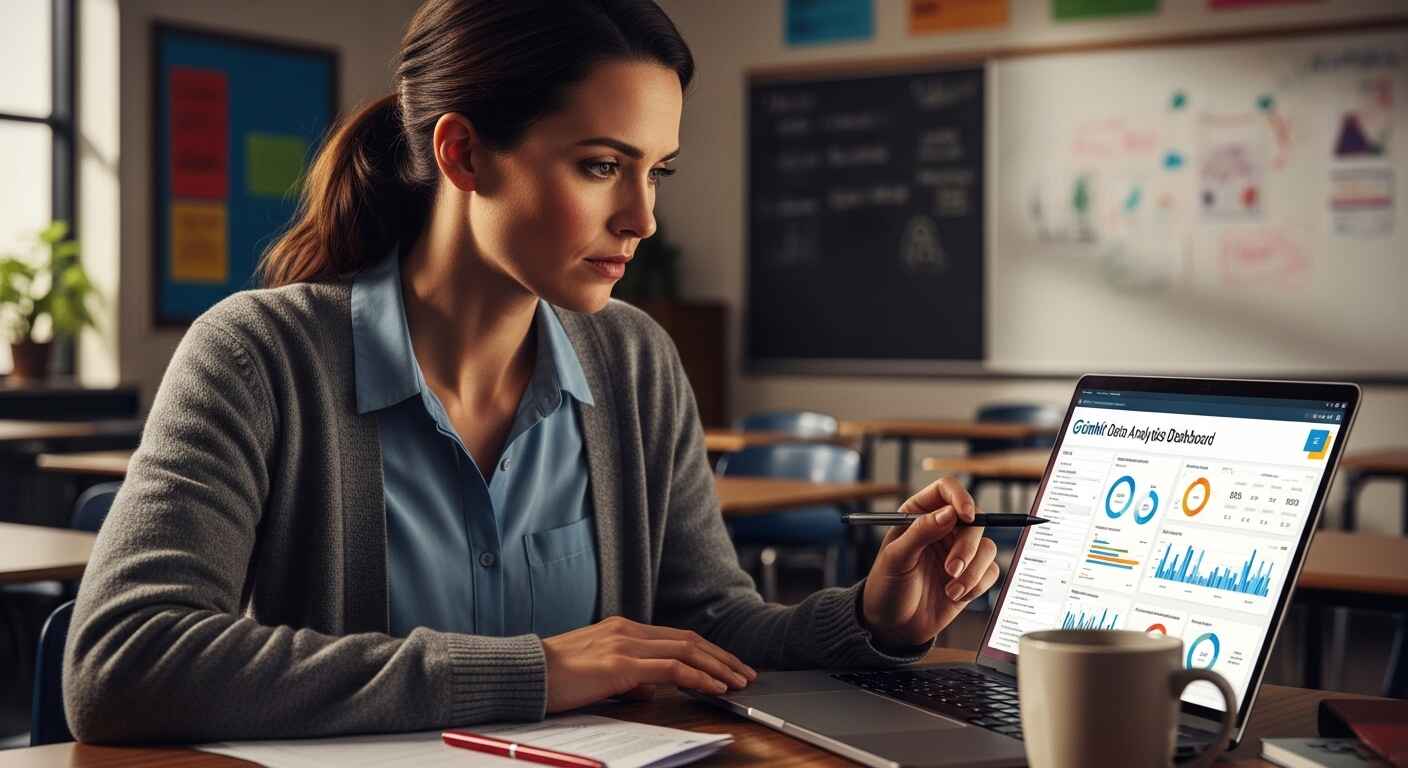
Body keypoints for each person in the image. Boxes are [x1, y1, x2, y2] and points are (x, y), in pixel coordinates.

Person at [64, 0, 999, 743]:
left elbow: (705, 628)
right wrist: (535, 669)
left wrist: (871, 619)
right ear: (463, 153)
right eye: (601, 166)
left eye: (657, 172)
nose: (642, 218)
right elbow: (123, 662)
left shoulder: (634, 359)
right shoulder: (259, 354)